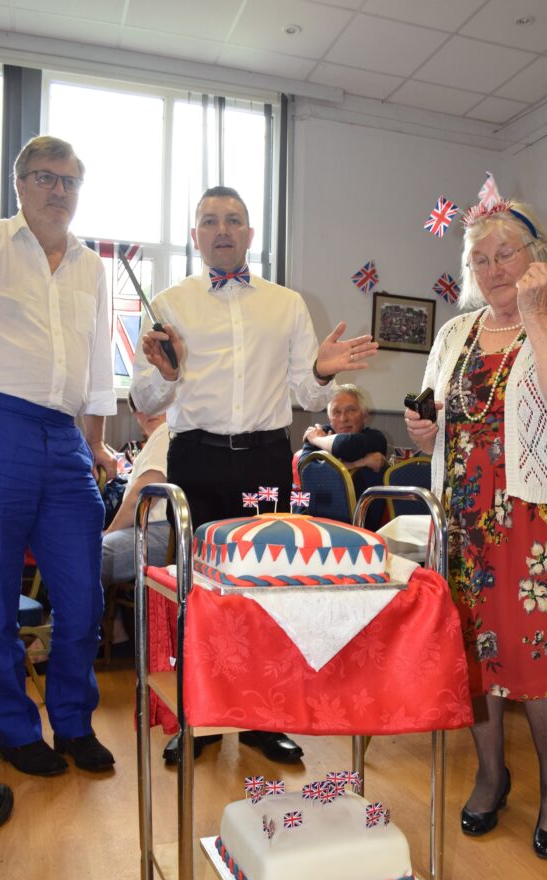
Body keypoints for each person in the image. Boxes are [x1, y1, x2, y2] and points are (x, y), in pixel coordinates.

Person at [132, 185, 376, 764]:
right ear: (195, 235)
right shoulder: (167, 303)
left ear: (249, 233)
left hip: (266, 458)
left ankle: (263, 721)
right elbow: (143, 397)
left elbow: (306, 395)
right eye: (210, 220)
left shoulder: (286, 304)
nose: (222, 229)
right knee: (199, 593)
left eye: (233, 219)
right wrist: (167, 374)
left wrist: (321, 371)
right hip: (195, 458)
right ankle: (199, 719)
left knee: (266, 590)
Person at [405, 198, 547, 859]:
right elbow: (435, 416)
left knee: (539, 654)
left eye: (505, 254)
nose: (492, 269)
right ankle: (491, 775)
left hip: (540, 516)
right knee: (471, 652)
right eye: (479, 259)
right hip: (463, 515)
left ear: (535, 258)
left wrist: (535, 313)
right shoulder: (452, 333)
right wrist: (424, 429)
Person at [0, 135, 117, 777]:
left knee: (82, 600)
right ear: (19, 184)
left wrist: (95, 441)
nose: (58, 190)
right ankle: (15, 731)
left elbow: (97, 368)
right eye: (45, 177)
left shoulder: (92, 266)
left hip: (66, 440)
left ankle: (72, 722)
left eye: (68, 181)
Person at [101, 394, 170, 590]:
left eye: (157, 405)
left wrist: (109, 533)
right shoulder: (158, 440)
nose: (150, 412)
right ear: (135, 415)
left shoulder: (166, 432)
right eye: (141, 407)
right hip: (153, 528)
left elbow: (143, 497)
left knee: (89, 556)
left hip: (161, 530)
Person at [300, 383, 388, 528]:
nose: (343, 418)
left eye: (351, 410)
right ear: (329, 418)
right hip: (317, 524)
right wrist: (360, 462)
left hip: (362, 527)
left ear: (365, 415)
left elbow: (346, 445)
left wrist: (317, 440)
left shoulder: (375, 439)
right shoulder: (320, 432)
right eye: (336, 412)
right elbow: (306, 471)